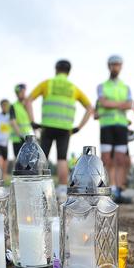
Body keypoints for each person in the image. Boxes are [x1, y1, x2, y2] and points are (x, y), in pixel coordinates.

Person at [26, 59, 93, 202]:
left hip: (47, 126)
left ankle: (38, 190)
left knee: (41, 158)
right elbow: (89, 108)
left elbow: (28, 100)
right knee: (62, 158)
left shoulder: (47, 83)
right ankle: (62, 192)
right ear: (69, 72)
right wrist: (79, 127)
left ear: (56, 69)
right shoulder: (74, 88)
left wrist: (32, 121)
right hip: (65, 128)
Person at [98, 55, 134, 204]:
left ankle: (118, 190)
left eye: (118, 65)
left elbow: (129, 105)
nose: (115, 67)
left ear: (121, 66)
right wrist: (120, 104)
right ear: (109, 66)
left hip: (121, 126)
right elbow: (103, 103)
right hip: (106, 125)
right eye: (113, 65)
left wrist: (111, 103)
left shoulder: (126, 87)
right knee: (107, 159)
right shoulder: (102, 86)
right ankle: (108, 190)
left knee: (120, 159)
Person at [10, 84, 33, 158]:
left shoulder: (27, 105)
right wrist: (21, 136)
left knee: (29, 161)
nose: (23, 94)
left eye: (24, 92)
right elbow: (13, 122)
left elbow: (32, 121)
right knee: (19, 161)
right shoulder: (13, 106)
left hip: (28, 138)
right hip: (18, 139)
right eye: (20, 92)